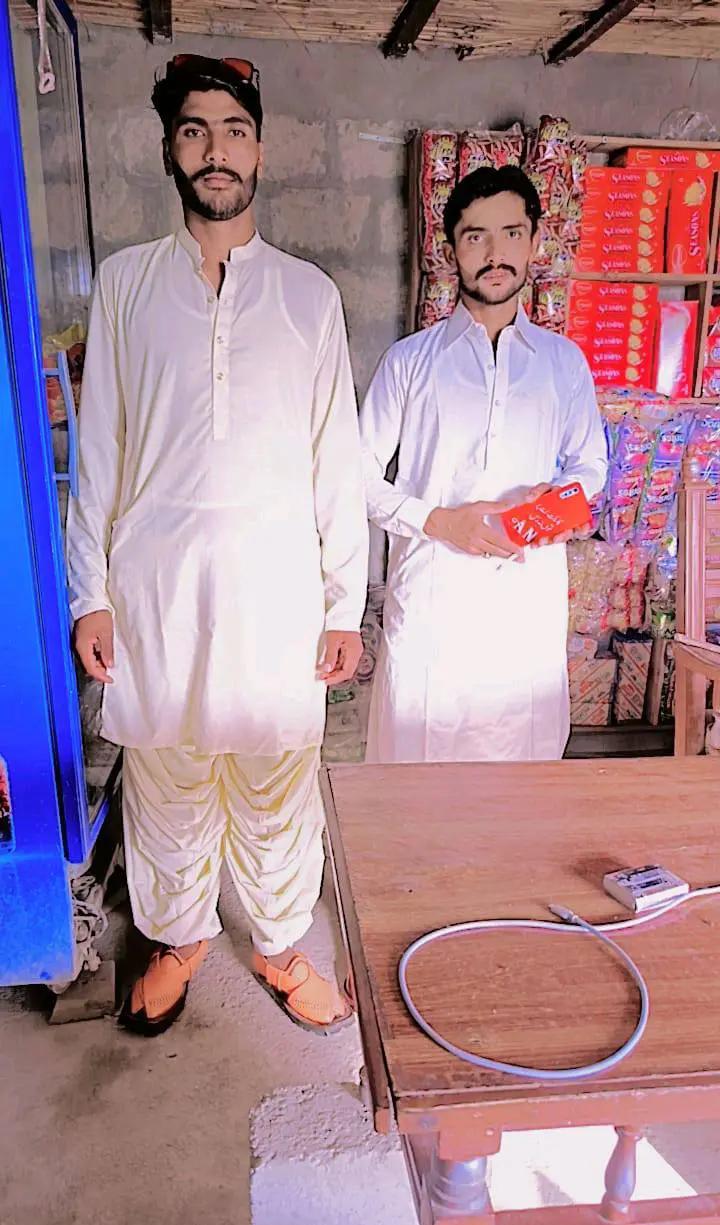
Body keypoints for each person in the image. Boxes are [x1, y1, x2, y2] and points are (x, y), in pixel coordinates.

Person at [67, 55, 368, 1036]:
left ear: (260, 150)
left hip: (277, 598)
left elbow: (335, 460)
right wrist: (89, 593)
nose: (215, 150)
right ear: (170, 150)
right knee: (168, 782)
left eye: (233, 130)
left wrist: (344, 604)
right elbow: (100, 445)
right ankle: (180, 937)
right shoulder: (126, 284)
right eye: (194, 130)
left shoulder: (308, 296)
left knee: (279, 788)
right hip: (156, 593)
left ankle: (278, 946)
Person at [360, 165, 607, 764]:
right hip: (432, 614)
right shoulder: (409, 362)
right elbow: (354, 478)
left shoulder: (562, 363)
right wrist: (441, 521)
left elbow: (591, 467)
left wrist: (554, 506)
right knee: (414, 789)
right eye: (476, 237)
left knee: (519, 796)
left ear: (535, 242)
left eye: (511, 234)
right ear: (451, 251)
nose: (495, 254)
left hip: (523, 617)